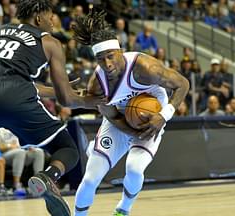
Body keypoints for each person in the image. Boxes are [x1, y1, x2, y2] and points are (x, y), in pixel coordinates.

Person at [0, 1, 104, 216]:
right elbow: (66, 100)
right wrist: (94, 100)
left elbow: (9, 78)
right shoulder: (50, 42)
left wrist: (51, 89)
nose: (53, 22)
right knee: (67, 148)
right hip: (16, 99)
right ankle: (48, 177)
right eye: (50, 17)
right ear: (38, 18)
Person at [72, 10, 189, 216]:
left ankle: (123, 209)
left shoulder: (146, 68)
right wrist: (130, 131)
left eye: (110, 57)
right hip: (118, 118)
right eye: (101, 60)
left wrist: (163, 116)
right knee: (90, 178)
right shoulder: (98, 85)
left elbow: (183, 84)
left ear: (121, 51)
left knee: (134, 169)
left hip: (151, 118)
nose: (107, 64)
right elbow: (113, 116)